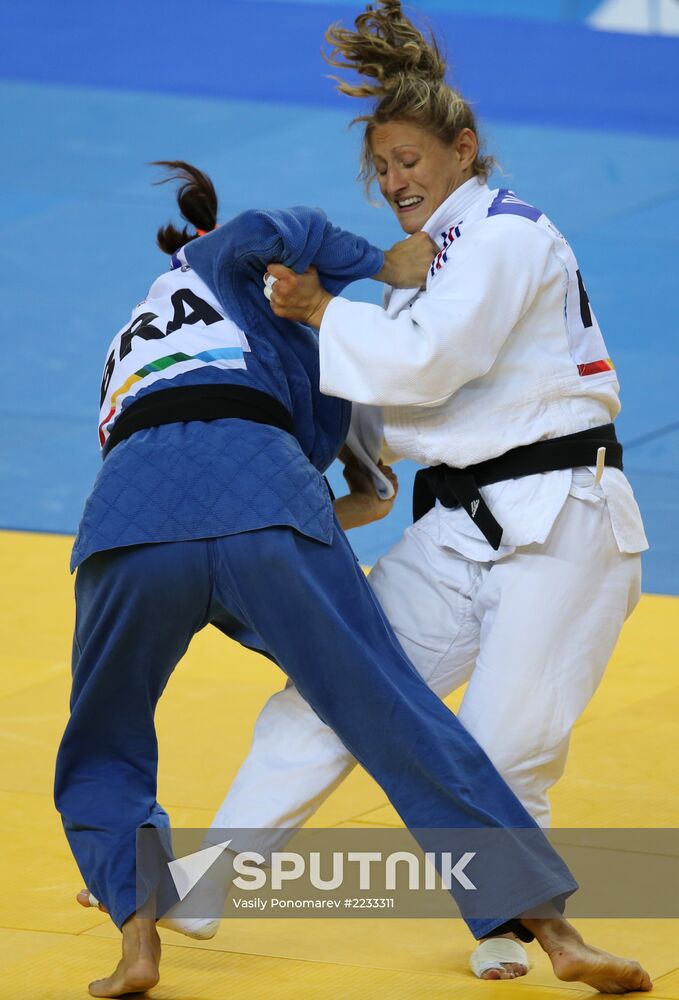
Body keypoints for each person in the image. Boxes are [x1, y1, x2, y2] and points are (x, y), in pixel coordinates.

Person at [56, 161, 648, 998]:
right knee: (388, 704)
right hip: (264, 500)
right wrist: (381, 263)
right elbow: (354, 487)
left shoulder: (128, 339)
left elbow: (167, 449)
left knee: (103, 741)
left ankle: (136, 944)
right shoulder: (262, 286)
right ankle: (552, 931)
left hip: (128, 522)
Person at [171, 0, 649, 986]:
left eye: (409, 163)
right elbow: (383, 413)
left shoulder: (510, 238)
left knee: (505, 743)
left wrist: (322, 310)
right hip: (455, 522)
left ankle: (508, 928)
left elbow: (431, 367)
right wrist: (272, 371)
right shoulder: (408, 276)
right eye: (381, 169)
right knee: (330, 685)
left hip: (562, 515)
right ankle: (205, 879)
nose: (394, 183)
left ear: (462, 150)